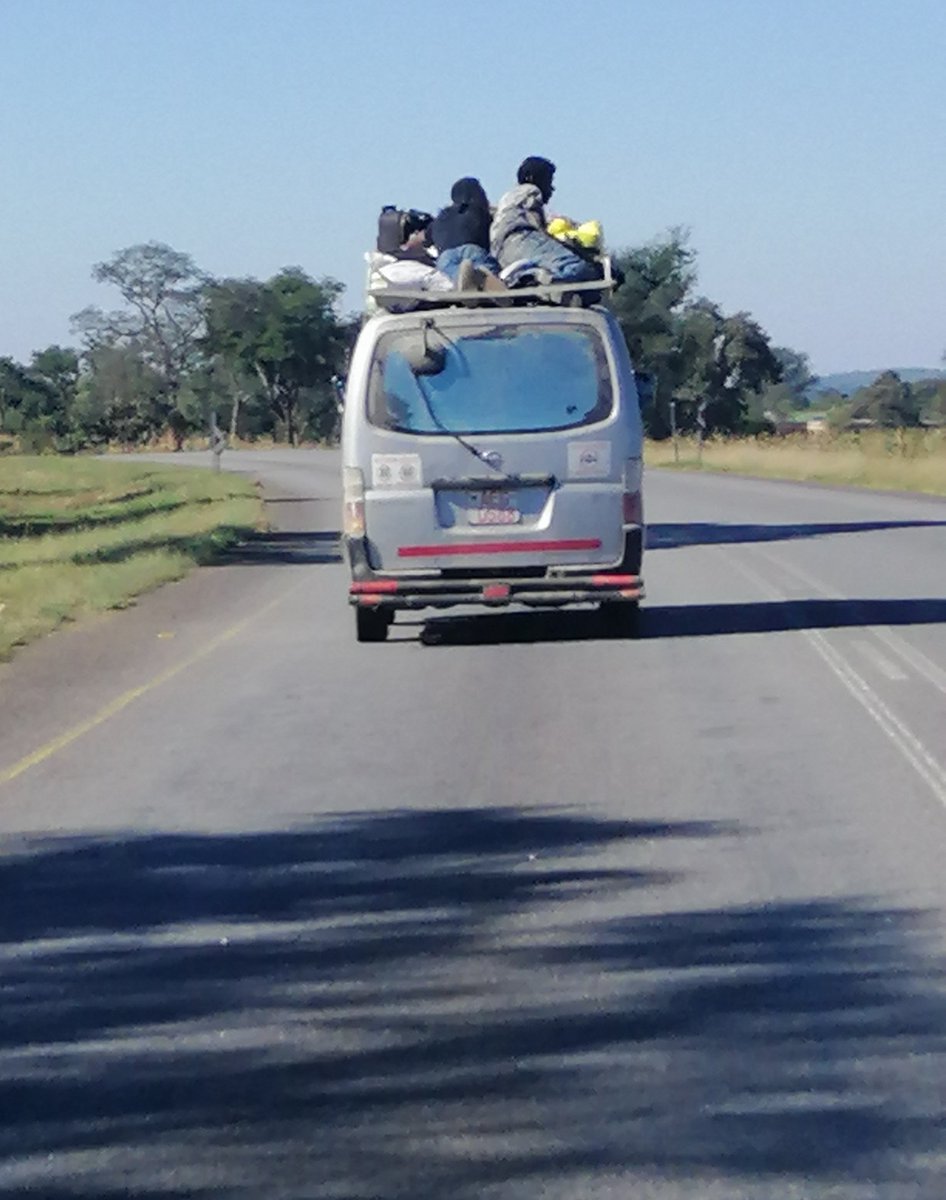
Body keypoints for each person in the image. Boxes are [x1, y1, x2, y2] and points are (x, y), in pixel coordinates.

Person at [490, 156, 600, 286]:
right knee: (576, 266)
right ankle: (539, 279)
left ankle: (522, 280)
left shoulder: (508, 198)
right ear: (531, 178)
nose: (552, 188)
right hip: (521, 240)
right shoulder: (529, 190)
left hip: (502, 252)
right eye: (548, 181)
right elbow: (540, 233)